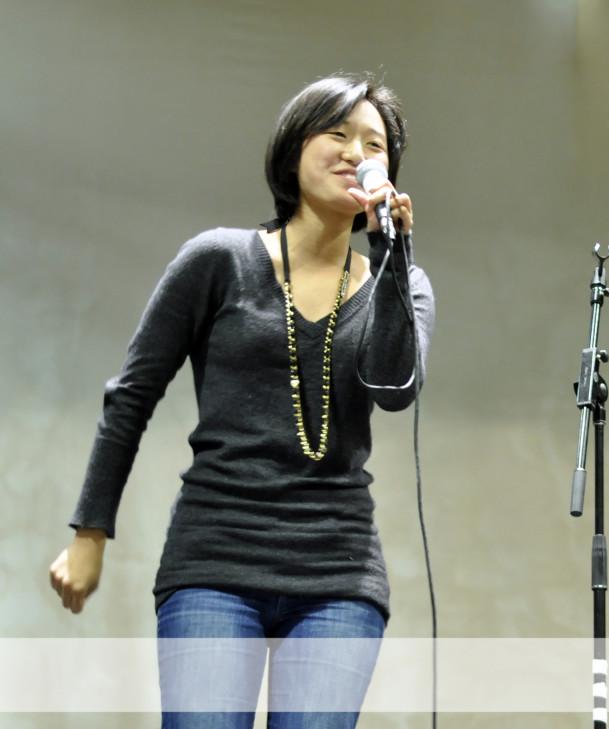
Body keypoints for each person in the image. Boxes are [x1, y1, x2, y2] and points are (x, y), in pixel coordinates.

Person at [48, 71, 436, 728]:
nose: (356, 154)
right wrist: (90, 533)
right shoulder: (218, 260)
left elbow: (395, 390)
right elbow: (132, 395)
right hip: (215, 558)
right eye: (337, 134)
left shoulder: (401, 283)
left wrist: (393, 256)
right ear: (293, 149)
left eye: (374, 145)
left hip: (337, 574)